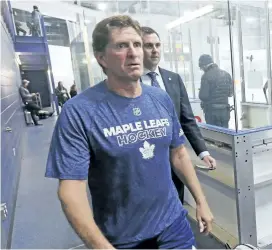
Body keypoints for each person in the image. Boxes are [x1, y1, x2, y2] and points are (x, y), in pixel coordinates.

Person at [45, 15, 213, 249]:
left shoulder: (160, 99)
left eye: (137, 44)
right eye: (121, 46)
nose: (134, 53)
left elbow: (179, 155)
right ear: (101, 57)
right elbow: (70, 192)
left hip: (174, 226)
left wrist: (201, 201)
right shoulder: (79, 112)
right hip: (123, 239)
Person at [140, 26, 217, 203]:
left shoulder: (173, 79)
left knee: (177, 202)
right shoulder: (131, 82)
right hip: (146, 158)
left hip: (175, 157)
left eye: (157, 45)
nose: (154, 50)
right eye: (148, 45)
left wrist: (203, 152)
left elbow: (187, 119)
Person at [198, 54, 233, 128]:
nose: (202, 69)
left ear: (204, 65)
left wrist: (201, 90)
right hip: (225, 111)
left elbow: (203, 96)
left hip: (212, 112)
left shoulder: (206, 76)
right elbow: (230, 93)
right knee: (225, 133)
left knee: (214, 135)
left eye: (201, 67)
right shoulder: (226, 74)